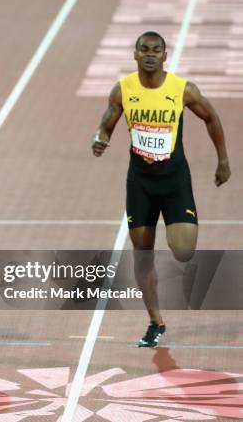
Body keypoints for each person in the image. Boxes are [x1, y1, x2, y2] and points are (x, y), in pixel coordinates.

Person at [92, 31, 230, 348]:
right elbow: (107, 123)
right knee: (142, 257)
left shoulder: (182, 90)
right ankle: (156, 321)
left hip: (174, 180)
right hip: (140, 183)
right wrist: (100, 138)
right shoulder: (123, 90)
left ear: (165, 56)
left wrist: (222, 160)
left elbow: (211, 117)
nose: (151, 54)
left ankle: (177, 225)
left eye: (157, 50)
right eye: (145, 49)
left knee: (183, 250)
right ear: (136, 54)